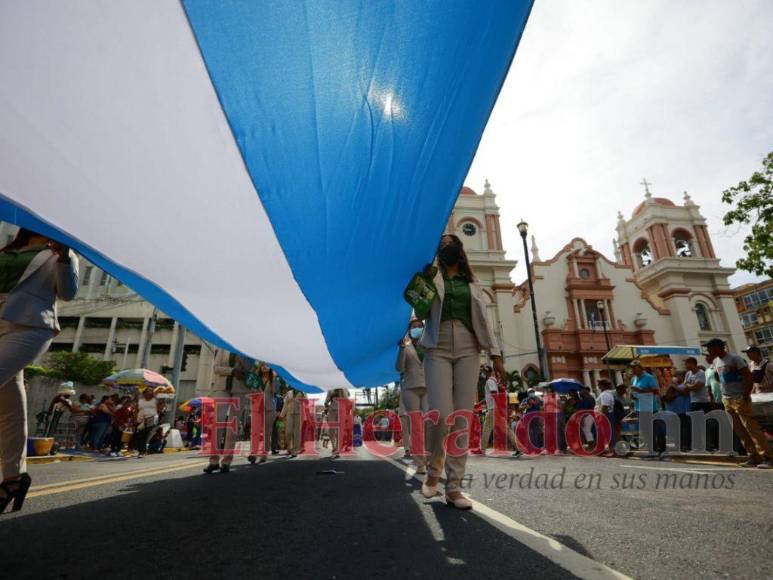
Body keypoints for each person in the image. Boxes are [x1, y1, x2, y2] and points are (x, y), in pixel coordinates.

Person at [417, 234, 505, 510]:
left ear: (459, 250)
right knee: (442, 414)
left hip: (469, 346)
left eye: (451, 244)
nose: (447, 248)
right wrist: (424, 281)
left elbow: (484, 320)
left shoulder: (472, 282)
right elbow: (419, 311)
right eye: (441, 244)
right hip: (437, 345)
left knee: (462, 417)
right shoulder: (432, 277)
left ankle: (454, 487)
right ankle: (434, 471)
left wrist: (496, 355)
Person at [0, 228, 78, 514]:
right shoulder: (9, 248)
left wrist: (65, 256)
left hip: (30, 326)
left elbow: (68, 293)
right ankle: (13, 477)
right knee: (9, 410)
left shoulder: (60, 250)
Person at [705, 338, 772, 469]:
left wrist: (745, 395)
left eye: (710, 347)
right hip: (727, 399)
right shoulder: (716, 361)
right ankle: (753, 456)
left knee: (751, 428)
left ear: (718, 347)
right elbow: (720, 379)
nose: (708, 350)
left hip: (739, 398)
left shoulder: (735, 358)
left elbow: (748, 377)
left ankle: (768, 457)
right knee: (739, 430)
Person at [203, 349, 250, 474]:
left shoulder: (247, 347)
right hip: (222, 387)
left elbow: (250, 369)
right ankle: (213, 461)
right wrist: (232, 371)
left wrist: (240, 356)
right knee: (218, 421)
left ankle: (227, 461)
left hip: (240, 389)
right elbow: (216, 368)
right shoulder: (222, 347)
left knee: (232, 425)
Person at [396, 318, 429, 473]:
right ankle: (420, 462)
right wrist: (402, 349)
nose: (417, 328)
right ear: (409, 330)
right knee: (416, 426)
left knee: (430, 424)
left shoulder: (429, 344)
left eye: (419, 326)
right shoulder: (406, 347)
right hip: (410, 389)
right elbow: (399, 367)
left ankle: (430, 457)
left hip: (429, 388)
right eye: (414, 327)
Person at [629, 360, 665, 456]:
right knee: (646, 430)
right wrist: (633, 396)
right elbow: (634, 392)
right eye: (631, 368)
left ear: (640, 368)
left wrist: (640, 390)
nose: (633, 370)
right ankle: (651, 449)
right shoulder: (634, 379)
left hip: (650, 408)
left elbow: (656, 391)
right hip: (639, 407)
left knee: (654, 429)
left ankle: (660, 449)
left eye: (634, 367)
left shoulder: (649, 377)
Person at [480, 366, 519, 455]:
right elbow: (491, 395)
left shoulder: (490, 381)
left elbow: (494, 394)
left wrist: (499, 408)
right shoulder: (494, 382)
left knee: (487, 429)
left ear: (487, 372)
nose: (482, 373)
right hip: (495, 408)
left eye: (483, 371)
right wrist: (480, 403)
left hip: (493, 409)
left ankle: (482, 450)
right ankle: (518, 448)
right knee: (507, 429)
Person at [248, 363, 279, 464]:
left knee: (267, 432)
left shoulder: (273, 379)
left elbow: (275, 391)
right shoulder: (256, 378)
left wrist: (274, 378)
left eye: (266, 365)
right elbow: (251, 390)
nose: (264, 367)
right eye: (262, 365)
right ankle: (253, 453)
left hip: (270, 408)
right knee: (255, 431)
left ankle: (264, 454)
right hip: (257, 406)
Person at [662, 372, 691, 451]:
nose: (676, 378)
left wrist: (673, 387)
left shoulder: (685, 385)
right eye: (675, 376)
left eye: (678, 376)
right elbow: (666, 398)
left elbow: (684, 393)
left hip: (682, 410)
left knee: (684, 428)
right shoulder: (672, 386)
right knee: (676, 429)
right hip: (673, 411)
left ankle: (685, 445)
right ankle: (678, 444)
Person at [323, 387, 350, 458]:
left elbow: (347, 399)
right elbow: (326, 402)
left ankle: (337, 451)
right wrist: (328, 407)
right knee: (332, 431)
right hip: (332, 410)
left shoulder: (345, 388)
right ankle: (334, 447)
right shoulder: (330, 389)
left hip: (342, 410)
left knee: (340, 432)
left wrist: (342, 391)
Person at [134, 388, 160, 458]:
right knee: (140, 435)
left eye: (151, 391)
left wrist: (162, 401)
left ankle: (142, 451)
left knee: (143, 434)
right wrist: (134, 418)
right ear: (144, 393)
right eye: (148, 391)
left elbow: (160, 408)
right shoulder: (140, 401)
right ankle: (141, 451)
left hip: (151, 419)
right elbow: (136, 409)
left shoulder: (155, 400)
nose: (149, 393)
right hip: (141, 420)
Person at [595, 380, 617, 455]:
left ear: (603, 385)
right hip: (607, 415)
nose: (598, 386)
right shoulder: (608, 393)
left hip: (605, 415)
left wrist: (601, 415)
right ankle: (607, 449)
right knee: (607, 432)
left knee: (608, 432)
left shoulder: (605, 394)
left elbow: (605, 406)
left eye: (599, 385)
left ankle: (612, 450)